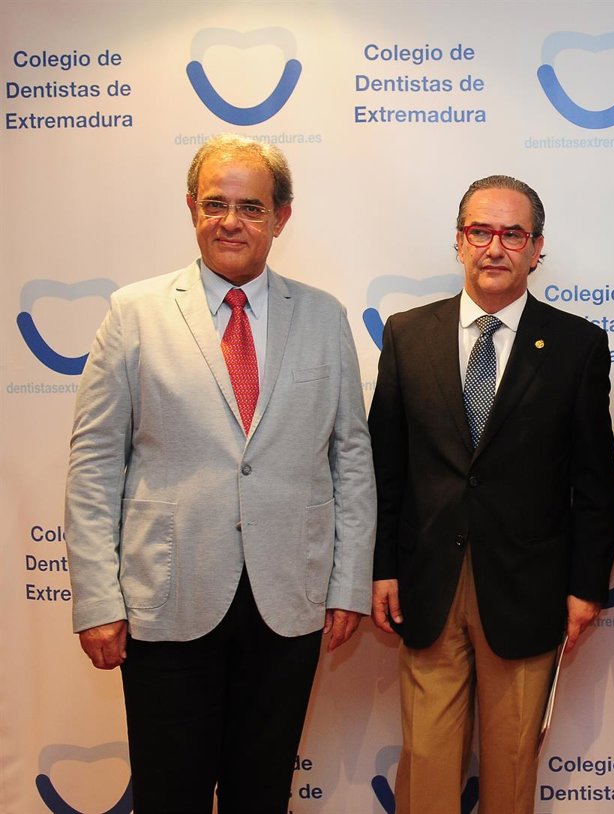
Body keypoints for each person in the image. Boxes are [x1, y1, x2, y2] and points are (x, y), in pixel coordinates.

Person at [64, 134, 376, 812]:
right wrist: (97, 600)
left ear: (281, 217)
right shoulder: (134, 313)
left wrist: (349, 583)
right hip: (166, 600)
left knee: (260, 795)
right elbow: (94, 465)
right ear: (191, 208)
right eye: (215, 204)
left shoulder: (324, 317)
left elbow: (350, 457)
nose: (231, 221)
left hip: (287, 602)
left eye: (251, 207)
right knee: (169, 796)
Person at [368, 174, 614, 814]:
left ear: (536, 249)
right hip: (427, 583)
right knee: (426, 765)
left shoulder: (577, 345)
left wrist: (587, 587)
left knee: (511, 768)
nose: (495, 247)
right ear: (459, 241)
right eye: (480, 231)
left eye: (513, 234)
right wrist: (381, 568)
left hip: (529, 588)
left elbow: (594, 480)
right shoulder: (407, 334)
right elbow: (384, 468)